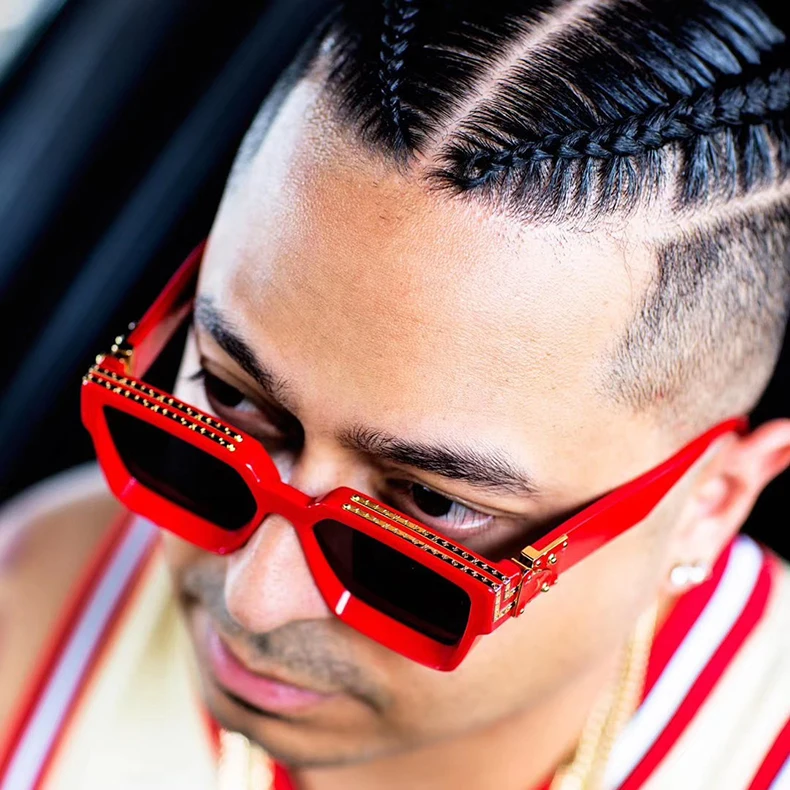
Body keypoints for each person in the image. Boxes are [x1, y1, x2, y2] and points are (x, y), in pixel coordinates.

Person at [1, 0, 790, 788]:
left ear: (708, 504)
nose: (255, 599)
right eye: (230, 397)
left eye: (431, 503)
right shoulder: (35, 607)